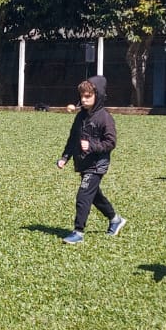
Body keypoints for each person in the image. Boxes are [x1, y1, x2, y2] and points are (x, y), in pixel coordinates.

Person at [56, 76, 126, 244]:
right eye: (82, 96)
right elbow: (73, 139)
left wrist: (92, 145)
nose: (84, 99)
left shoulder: (105, 118)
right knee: (94, 196)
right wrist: (65, 157)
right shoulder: (80, 117)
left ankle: (78, 232)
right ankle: (115, 219)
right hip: (83, 163)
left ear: (98, 95)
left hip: (97, 165)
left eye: (88, 96)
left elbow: (111, 142)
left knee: (83, 195)